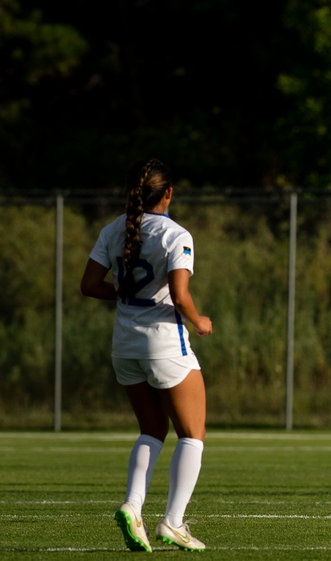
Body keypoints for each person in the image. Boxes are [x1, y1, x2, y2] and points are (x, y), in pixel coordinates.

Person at [80, 158, 213, 552]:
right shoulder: (177, 234)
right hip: (164, 343)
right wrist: (199, 321)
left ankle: (132, 506)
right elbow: (179, 294)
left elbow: (89, 285)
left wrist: (122, 294)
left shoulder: (113, 228)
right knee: (193, 434)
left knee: (152, 430)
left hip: (125, 344)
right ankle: (172, 522)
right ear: (168, 193)